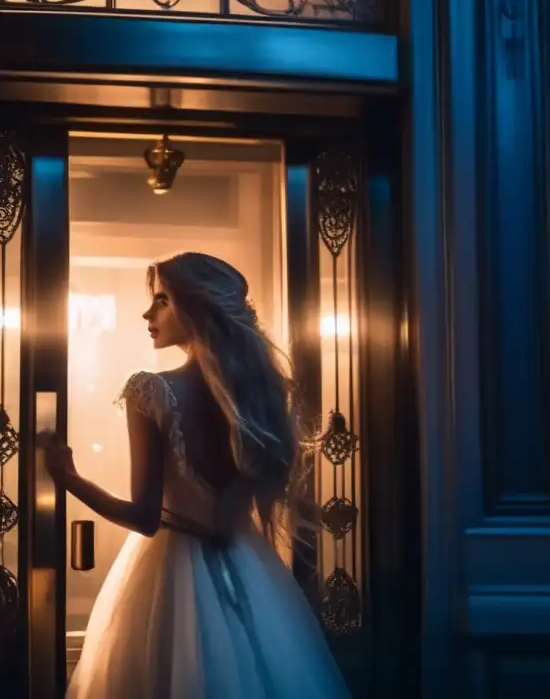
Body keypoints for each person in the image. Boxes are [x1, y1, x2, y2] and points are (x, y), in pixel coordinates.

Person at [44, 251, 349, 698]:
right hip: (249, 569)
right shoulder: (258, 396)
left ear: (195, 308)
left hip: (171, 571)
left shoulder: (151, 390)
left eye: (162, 300)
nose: (148, 313)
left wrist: (69, 478)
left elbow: (145, 517)